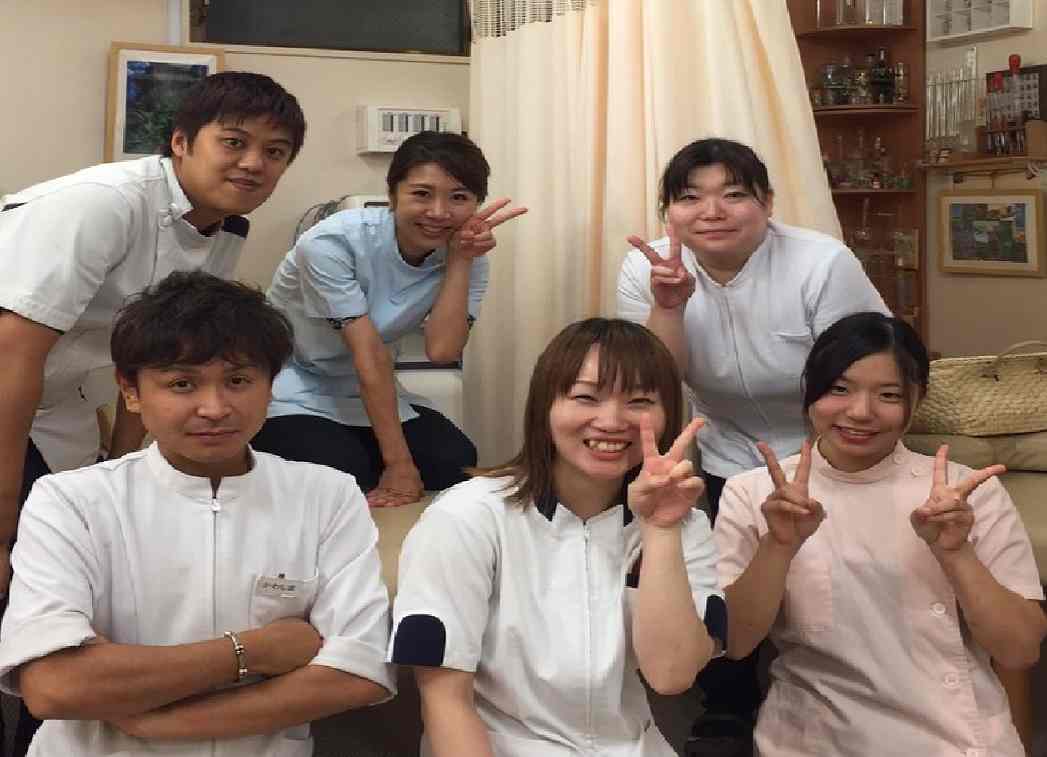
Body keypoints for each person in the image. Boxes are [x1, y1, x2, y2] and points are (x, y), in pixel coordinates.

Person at [0, 70, 305, 753]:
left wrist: (124, 471)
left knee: (64, 582)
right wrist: (0, 521)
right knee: (14, 577)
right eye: (234, 142)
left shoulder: (222, 229)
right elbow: (12, 355)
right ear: (180, 142)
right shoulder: (102, 205)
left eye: (275, 151)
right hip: (10, 384)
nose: (253, 163)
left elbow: (159, 360)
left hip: (56, 399)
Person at [0, 271, 396, 756]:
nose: (214, 407)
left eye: (238, 381)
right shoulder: (70, 501)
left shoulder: (326, 495)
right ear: (131, 390)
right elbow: (54, 686)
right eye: (182, 383)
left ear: (271, 385)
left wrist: (157, 721)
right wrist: (257, 650)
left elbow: (359, 671)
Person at [617, 137, 888, 750]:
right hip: (726, 447)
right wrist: (667, 306)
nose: (712, 212)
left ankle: (849, 692)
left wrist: (830, 459)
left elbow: (863, 372)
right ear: (669, 212)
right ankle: (728, 706)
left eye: (734, 194)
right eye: (690, 198)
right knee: (723, 577)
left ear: (767, 203)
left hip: (828, 443)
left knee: (831, 581)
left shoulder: (821, 263)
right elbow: (655, 383)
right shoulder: (648, 267)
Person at [389, 317, 726, 756]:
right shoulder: (468, 516)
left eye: (640, 401)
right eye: (586, 397)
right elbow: (444, 699)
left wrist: (660, 529)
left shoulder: (683, 524)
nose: (611, 421)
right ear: (544, 406)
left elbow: (671, 675)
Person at [715, 311, 1047, 756]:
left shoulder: (963, 495)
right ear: (810, 390)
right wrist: (778, 546)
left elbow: (1020, 650)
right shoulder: (754, 493)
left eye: (888, 394)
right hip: (813, 739)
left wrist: (957, 554)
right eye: (839, 389)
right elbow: (735, 644)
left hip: (954, 738)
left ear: (918, 399)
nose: (860, 412)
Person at [253, 130, 526, 507]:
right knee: (339, 471)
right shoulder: (331, 243)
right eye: (422, 194)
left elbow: (442, 350)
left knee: (453, 461)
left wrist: (460, 261)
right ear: (393, 194)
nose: (439, 212)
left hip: (365, 386)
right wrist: (398, 464)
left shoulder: (468, 255)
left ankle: (358, 454)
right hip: (290, 382)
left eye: (459, 197)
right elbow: (368, 354)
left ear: (476, 203)